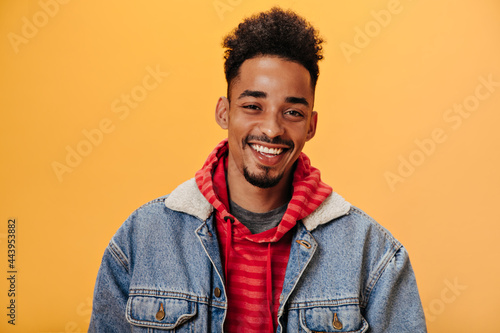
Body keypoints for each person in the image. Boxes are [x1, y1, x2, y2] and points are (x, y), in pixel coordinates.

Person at [89, 7, 427, 333]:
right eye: (253, 106)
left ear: (311, 125)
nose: (271, 129)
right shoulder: (141, 238)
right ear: (224, 112)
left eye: (292, 112)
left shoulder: (374, 255)